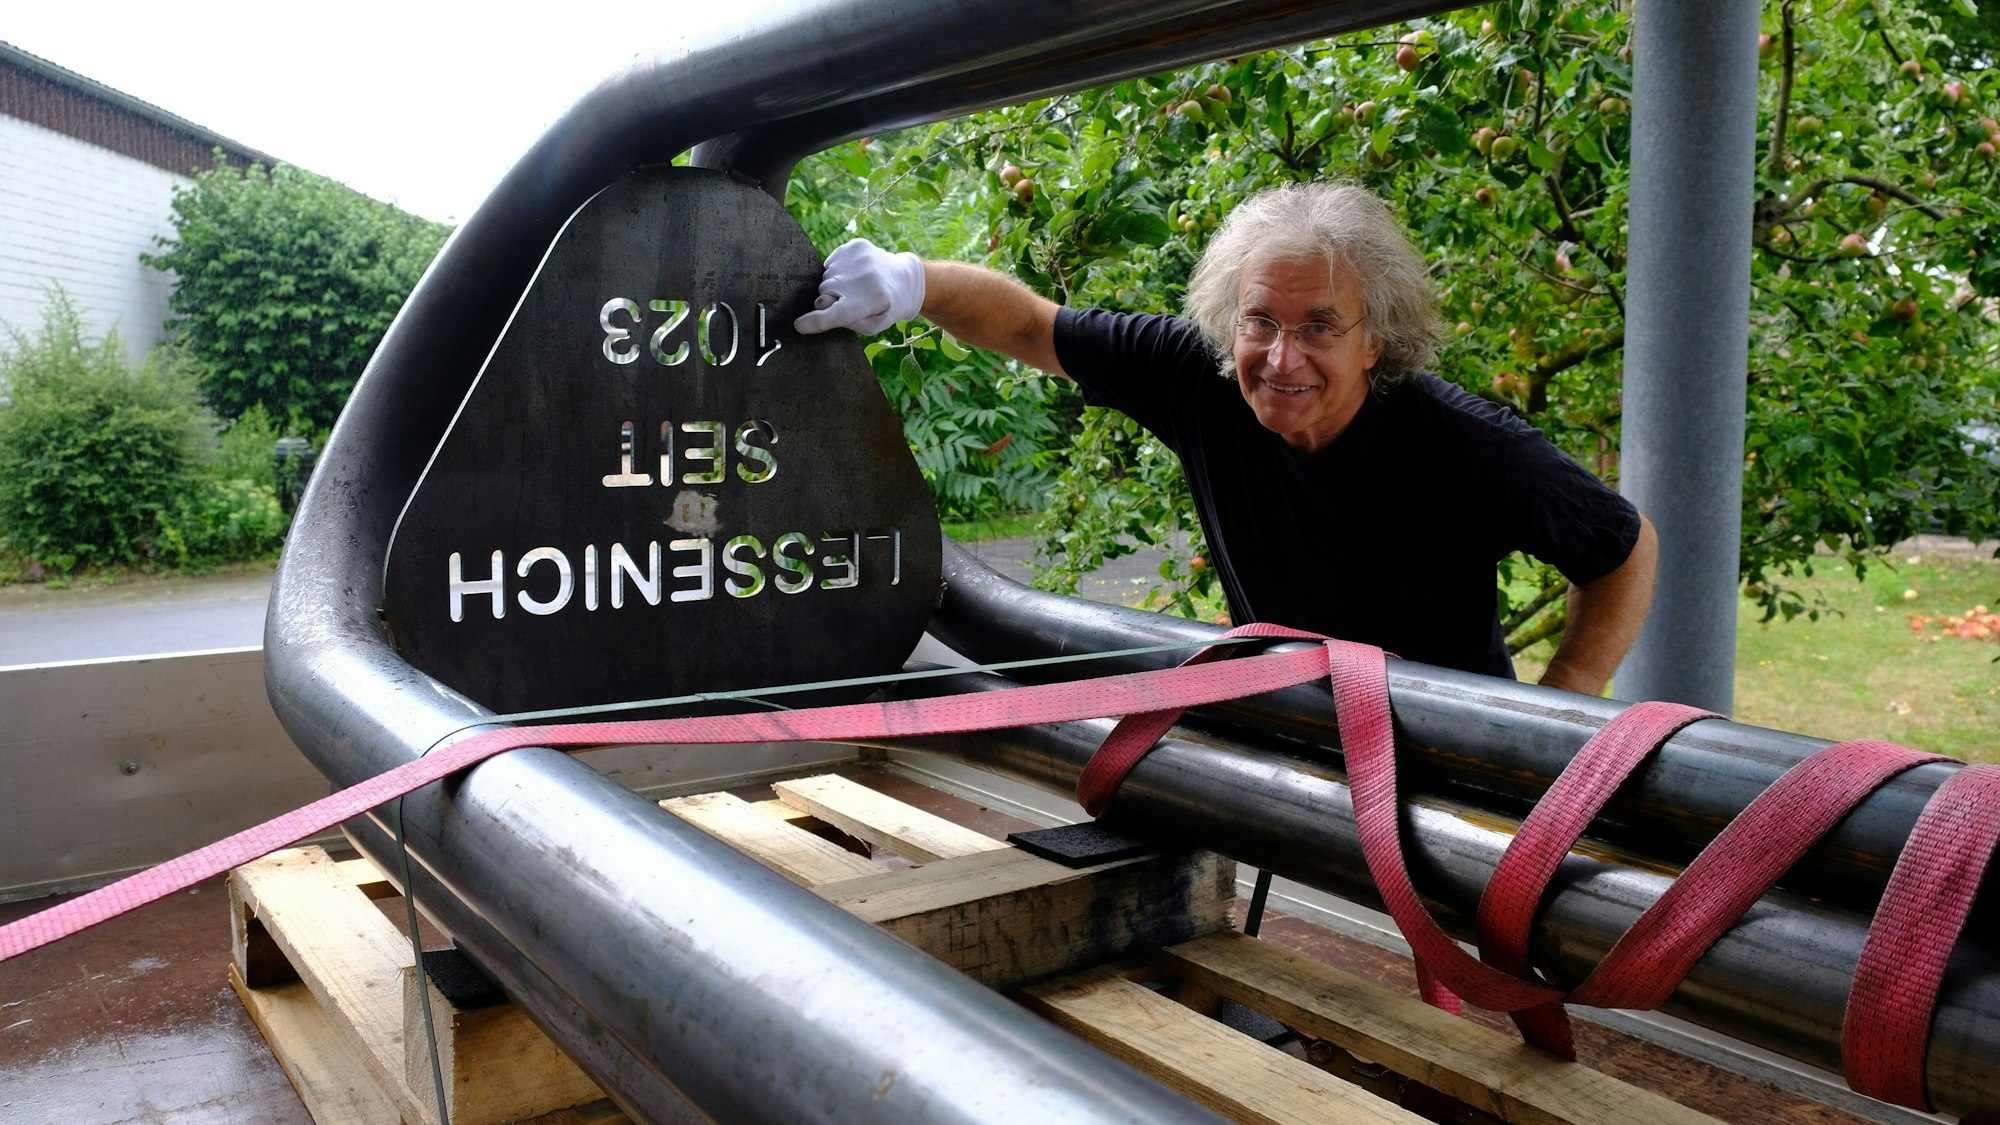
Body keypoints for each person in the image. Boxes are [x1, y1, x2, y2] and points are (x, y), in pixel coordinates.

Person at [795, 181, 1656, 696]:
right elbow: (1028, 326)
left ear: (1375, 338)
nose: (1282, 359)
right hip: (1288, 731)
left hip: (1447, 754)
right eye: (1259, 322)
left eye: (1319, 327)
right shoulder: (1196, 375)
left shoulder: (1467, 443)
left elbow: (1623, 547)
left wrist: (1567, 703)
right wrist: (910, 284)